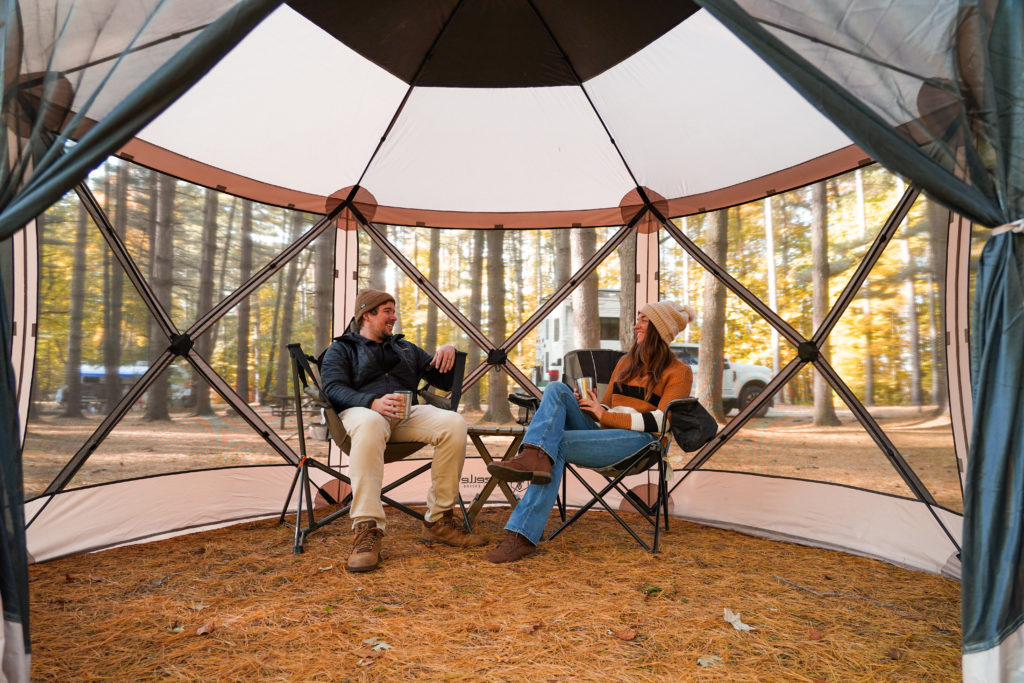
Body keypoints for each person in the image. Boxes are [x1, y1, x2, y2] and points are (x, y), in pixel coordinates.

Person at [483, 301, 697, 563]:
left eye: (643, 320)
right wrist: (592, 404)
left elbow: (662, 422)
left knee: (556, 445)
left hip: (642, 445)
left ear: (659, 329)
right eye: (637, 319)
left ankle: (522, 536)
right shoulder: (626, 363)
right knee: (556, 390)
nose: (635, 324)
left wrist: (604, 414)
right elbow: (607, 406)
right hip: (606, 435)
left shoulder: (679, 372)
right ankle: (533, 454)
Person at [320, 289, 487, 573]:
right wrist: (371, 402)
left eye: (393, 310)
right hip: (362, 415)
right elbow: (332, 389)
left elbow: (443, 381)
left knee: (453, 423)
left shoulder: (405, 348)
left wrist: (448, 351)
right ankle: (367, 528)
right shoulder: (342, 348)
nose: (393, 317)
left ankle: (438, 521)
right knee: (372, 422)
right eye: (387, 310)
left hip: (405, 415)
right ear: (367, 314)